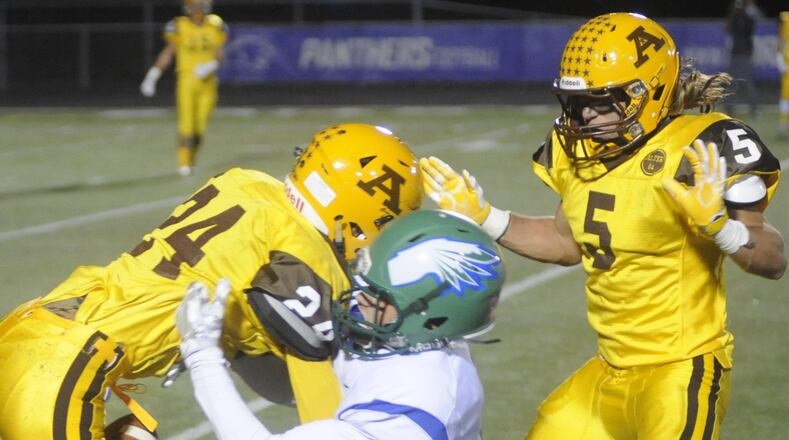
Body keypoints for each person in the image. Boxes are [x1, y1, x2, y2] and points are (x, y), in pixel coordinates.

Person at [421, 12, 785, 440]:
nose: (586, 116)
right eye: (578, 103)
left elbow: (773, 259)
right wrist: (486, 217)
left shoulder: (702, 147)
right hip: (609, 369)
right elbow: (565, 241)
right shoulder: (577, 148)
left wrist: (721, 228)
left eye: (602, 101)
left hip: (679, 370)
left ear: (647, 92)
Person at [0, 123, 423, 439]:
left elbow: (258, 357)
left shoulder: (246, 182)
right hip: (63, 368)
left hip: (35, 330)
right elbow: (314, 407)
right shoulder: (304, 258)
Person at [175, 209, 506, 439]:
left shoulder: (412, 405)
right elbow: (297, 388)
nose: (359, 297)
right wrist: (239, 351)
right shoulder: (424, 343)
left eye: (377, 294)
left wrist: (202, 355)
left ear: (432, 317)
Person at [139, 0, 228, 177]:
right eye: (195, 5)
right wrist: (153, 74)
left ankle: (192, 158)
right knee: (186, 123)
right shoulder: (178, 25)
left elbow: (220, 54)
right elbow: (169, 52)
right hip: (186, 80)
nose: (198, 9)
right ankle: (184, 163)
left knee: (200, 127)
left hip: (208, 83)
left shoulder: (216, 24)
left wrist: (211, 65)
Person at [725, 0, 759, 117]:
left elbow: (749, 27)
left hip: (744, 54)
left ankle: (754, 109)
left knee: (748, 83)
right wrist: (735, 13)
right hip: (736, 54)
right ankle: (729, 108)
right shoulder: (735, 18)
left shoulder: (748, 19)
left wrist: (744, 12)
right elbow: (728, 28)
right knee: (732, 82)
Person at [777, 11, 789, 138]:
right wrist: (780, 59)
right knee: (786, 97)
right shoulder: (787, 19)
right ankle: (783, 126)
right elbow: (781, 41)